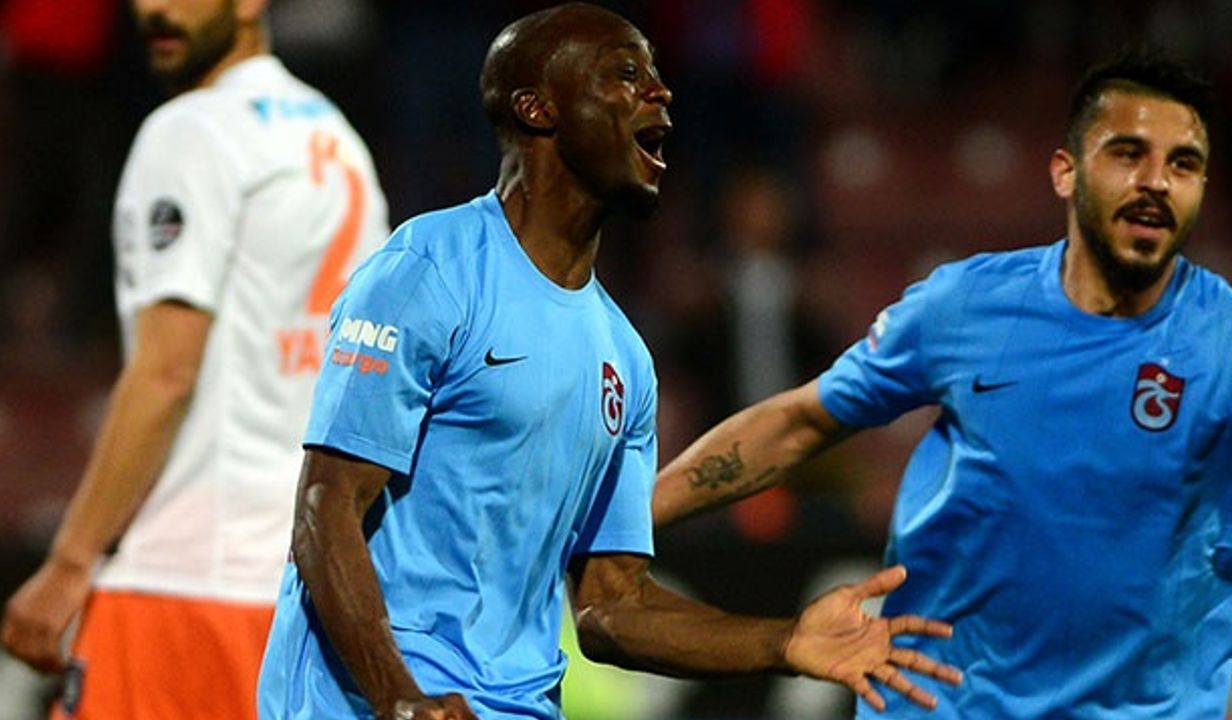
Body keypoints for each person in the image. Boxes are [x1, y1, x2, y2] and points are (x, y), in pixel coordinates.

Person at [255, 4, 962, 719]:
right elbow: (325, 507)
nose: (661, 92)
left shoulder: (624, 357)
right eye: (626, 74)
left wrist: (784, 641)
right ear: (536, 108)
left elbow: (610, 607)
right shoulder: (431, 269)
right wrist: (398, 697)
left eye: (655, 75)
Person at [653, 47, 1232, 719]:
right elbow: (801, 423)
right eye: (1128, 154)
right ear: (1065, 171)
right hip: (945, 704)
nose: (1156, 182)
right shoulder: (966, 307)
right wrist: (626, 517)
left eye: (1183, 164)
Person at [0, 0, 390, 717]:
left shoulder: (191, 132)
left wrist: (70, 561)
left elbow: (166, 371)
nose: (155, 9)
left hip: (186, 583)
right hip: (310, 595)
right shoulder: (340, 143)